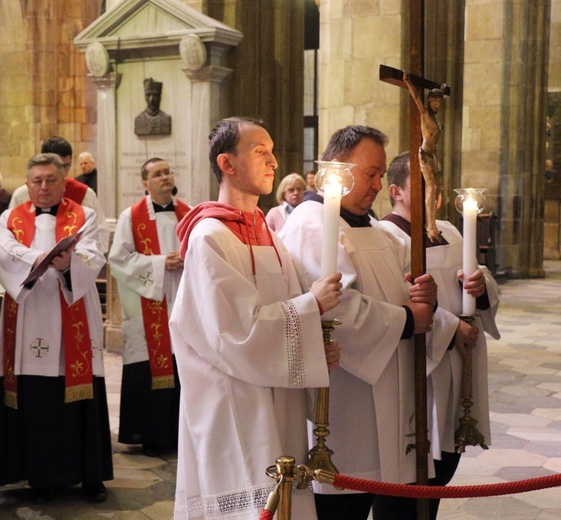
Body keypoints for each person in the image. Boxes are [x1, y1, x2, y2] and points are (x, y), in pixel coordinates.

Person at [170, 117, 343, 520]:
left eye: (272, 150)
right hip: (233, 400)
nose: (273, 161)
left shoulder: (268, 233)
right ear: (227, 164)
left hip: (276, 394)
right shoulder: (210, 236)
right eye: (259, 151)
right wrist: (312, 306)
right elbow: (233, 332)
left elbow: (285, 311)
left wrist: (314, 346)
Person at [279, 125, 438, 520]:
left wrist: (426, 294)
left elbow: (410, 279)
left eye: (382, 174)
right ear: (339, 169)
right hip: (348, 403)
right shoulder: (313, 222)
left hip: (391, 393)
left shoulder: (376, 229)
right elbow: (337, 309)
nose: (379, 185)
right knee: (345, 503)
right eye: (371, 174)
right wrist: (406, 321)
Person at [374, 151, 501, 520]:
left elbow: (481, 281)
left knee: (444, 468)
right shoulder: (386, 236)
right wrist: (450, 326)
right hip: (422, 368)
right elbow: (396, 301)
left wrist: (480, 287)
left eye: (437, 187)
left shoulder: (448, 229)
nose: (435, 195)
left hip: (461, 365)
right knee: (409, 477)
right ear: (396, 191)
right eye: (424, 186)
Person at [0, 152, 113, 504]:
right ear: (27, 184)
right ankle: (38, 475)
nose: (43, 187)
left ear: (64, 181)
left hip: (71, 311)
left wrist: (66, 265)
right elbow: (2, 252)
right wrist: (41, 260)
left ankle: (91, 477)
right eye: (36, 181)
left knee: (80, 393)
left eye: (51, 180)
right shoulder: (9, 217)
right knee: (35, 396)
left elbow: (94, 253)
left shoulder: (85, 215)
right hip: (27, 313)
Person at [109, 157, 190, 457]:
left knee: (183, 365)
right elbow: (118, 260)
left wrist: (188, 260)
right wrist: (159, 264)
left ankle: (182, 436)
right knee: (150, 367)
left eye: (168, 171)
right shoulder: (130, 217)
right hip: (150, 304)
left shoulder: (189, 213)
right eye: (157, 174)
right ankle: (151, 435)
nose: (165, 177)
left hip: (183, 301)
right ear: (144, 183)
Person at [9, 136, 108, 252]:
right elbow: (11, 234)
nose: (63, 172)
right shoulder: (22, 195)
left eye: (66, 166)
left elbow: (100, 235)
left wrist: (76, 258)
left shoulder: (85, 194)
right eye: (58, 166)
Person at [404, 72, 448, 243]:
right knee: (432, 188)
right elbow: (416, 98)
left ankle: (432, 223)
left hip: (433, 156)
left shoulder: (435, 119)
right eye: (435, 102)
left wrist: (442, 89)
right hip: (424, 156)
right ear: (430, 102)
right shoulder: (425, 114)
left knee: (439, 188)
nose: (437, 106)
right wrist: (407, 82)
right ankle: (430, 227)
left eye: (439, 103)